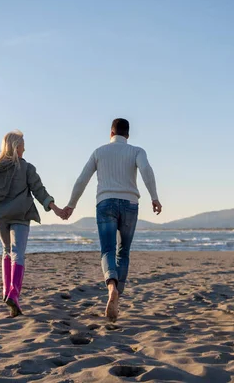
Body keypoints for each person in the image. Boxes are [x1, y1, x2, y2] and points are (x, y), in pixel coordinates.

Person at [62, 118, 162, 321]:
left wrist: (71, 204)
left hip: (105, 203)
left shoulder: (99, 152)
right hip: (130, 204)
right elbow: (146, 172)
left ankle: (111, 288)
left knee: (107, 250)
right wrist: (154, 198)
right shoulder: (137, 151)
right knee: (123, 251)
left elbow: (82, 178)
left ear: (111, 133)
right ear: (128, 135)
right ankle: (119, 293)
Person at [0, 130, 65, 317]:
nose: (25, 147)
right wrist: (54, 208)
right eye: (23, 143)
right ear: (16, 146)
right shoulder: (27, 168)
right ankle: (13, 294)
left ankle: (6, 292)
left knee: (7, 251)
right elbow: (39, 191)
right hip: (20, 216)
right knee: (18, 254)